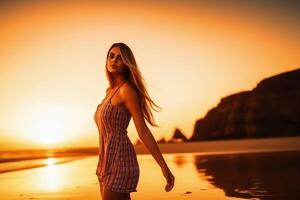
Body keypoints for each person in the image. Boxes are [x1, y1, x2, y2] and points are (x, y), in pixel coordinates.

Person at [94, 42, 175, 200]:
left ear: (127, 63)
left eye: (120, 58)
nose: (114, 60)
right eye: (111, 56)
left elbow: (143, 131)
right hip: (105, 161)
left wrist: (163, 167)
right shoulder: (108, 92)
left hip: (120, 160)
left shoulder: (127, 90)